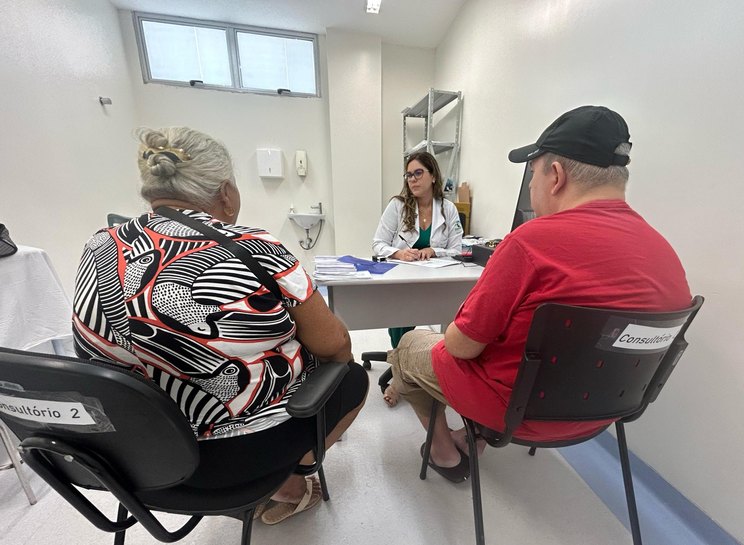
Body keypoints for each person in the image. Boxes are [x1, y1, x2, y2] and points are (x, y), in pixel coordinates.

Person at [72, 127, 369, 524]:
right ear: (226, 193)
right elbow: (335, 347)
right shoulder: (253, 246)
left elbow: (89, 353)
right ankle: (288, 484)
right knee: (352, 378)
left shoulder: (98, 248)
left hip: (139, 461)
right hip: (239, 462)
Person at [388, 106, 692, 482]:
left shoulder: (530, 242)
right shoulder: (667, 255)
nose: (531, 187)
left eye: (532, 174)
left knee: (408, 347)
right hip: (606, 412)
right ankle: (475, 440)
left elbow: (461, 347)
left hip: (517, 411)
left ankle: (443, 452)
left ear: (556, 176)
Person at [372, 151, 464, 406]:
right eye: (409, 174)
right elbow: (377, 244)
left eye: (418, 173)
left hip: (434, 281)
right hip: (400, 280)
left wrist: (435, 250)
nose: (412, 179)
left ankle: (410, 374)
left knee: (450, 316)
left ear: (433, 175)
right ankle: (401, 375)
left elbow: (458, 248)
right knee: (402, 318)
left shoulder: (448, 208)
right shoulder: (398, 206)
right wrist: (398, 252)